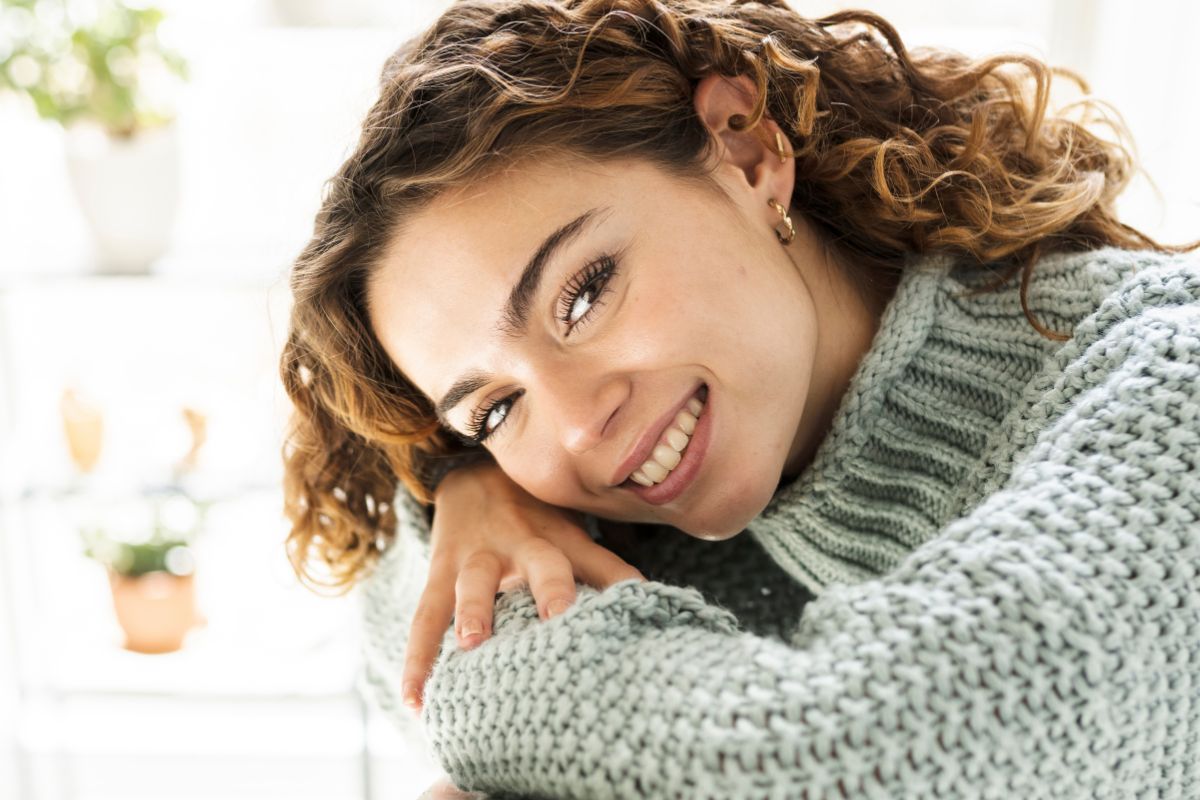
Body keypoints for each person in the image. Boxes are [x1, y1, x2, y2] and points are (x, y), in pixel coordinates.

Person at [278, 0, 1200, 796]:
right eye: (496, 408)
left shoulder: (1166, 376)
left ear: (749, 153)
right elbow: (391, 646)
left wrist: (486, 687)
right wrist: (467, 499)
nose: (572, 426)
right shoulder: (591, 530)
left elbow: (860, 756)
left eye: (584, 293)